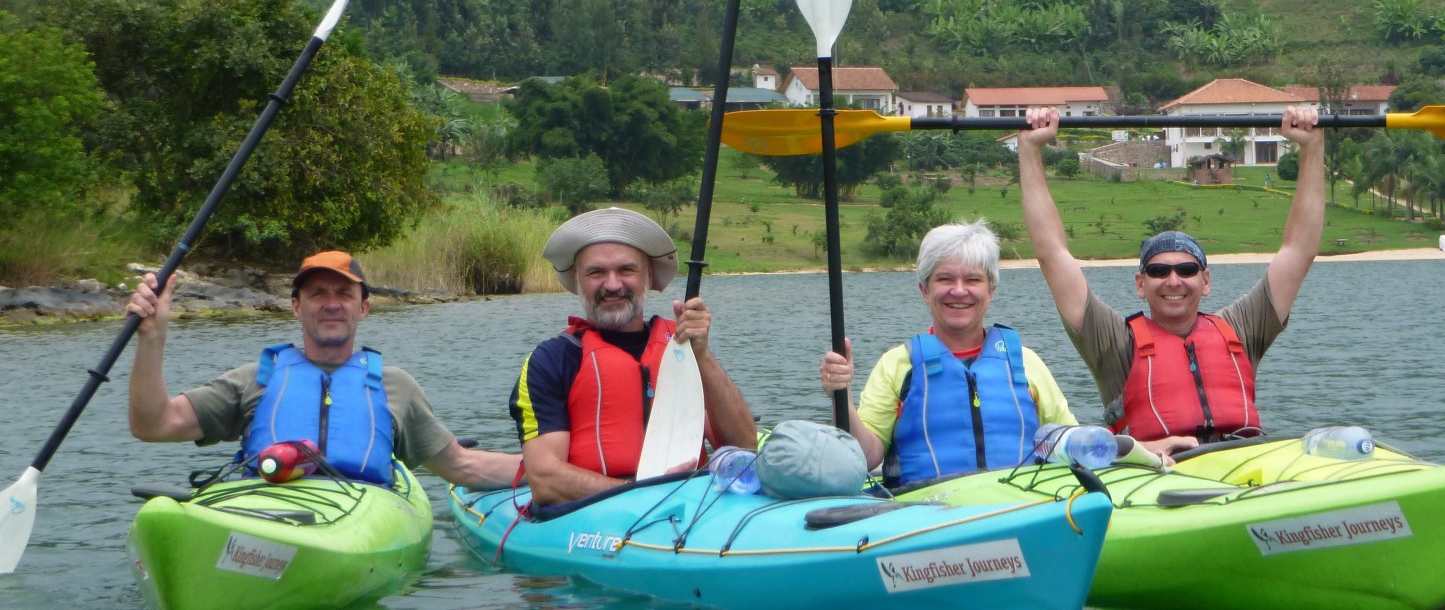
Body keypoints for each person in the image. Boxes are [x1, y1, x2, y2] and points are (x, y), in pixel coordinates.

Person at [1017, 104, 1325, 459]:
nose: (1173, 280)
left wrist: (1311, 147)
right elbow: (1053, 254)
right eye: (1159, 272)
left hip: (1244, 467)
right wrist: (1030, 150)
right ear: (1140, 284)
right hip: (1160, 475)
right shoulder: (1115, 343)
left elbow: (1299, 249)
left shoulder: (1239, 328)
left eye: (1187, 270)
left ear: (1205, 281)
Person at [127, 250, 522, 489]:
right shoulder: (255, 378)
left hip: (358, 516)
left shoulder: (395, 386)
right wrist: (152, 337)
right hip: (265, 511)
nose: (331, 303)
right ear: (297, 307)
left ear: (363, 308)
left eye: (344, 294)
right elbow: (154, 424)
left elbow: (461, 465)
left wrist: (558, 470)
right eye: (317, 293)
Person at [510, 207, 757, 505]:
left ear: (648, 276)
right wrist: (640, 489)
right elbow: (546, 481)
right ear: (578, 280)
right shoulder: (551, 360)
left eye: (626, 270)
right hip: (593, 515)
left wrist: (702, 355)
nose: (612, 285)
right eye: (596, 272)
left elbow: (743, 448)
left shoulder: (681, 346)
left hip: (692, 506)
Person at [818, 219, 1080, 486]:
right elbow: (864, 456)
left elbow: (1071, 441)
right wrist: (841, 394)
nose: (958, 290)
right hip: (929, 514)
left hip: (1020, 509)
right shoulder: (897, 365)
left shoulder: (1025, 363)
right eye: (944, 278)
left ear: (990, 291)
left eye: (973, 279)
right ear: (924, 290)